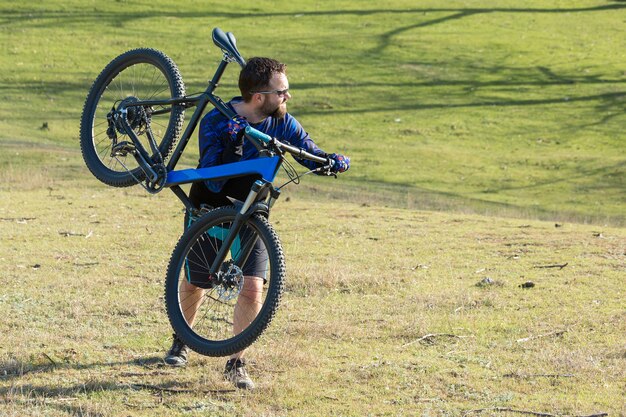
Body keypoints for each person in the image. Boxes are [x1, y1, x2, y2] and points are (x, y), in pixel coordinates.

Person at [163, 57, 350, 389]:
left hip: (253, 215)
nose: (287, 97)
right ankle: (181, 341)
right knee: (197, 283)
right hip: (209, 207)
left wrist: (331, 161)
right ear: (259, 96)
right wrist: (238, 141)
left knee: (252, 286)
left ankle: (236, 363)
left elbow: (307, 151)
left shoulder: (283, 122)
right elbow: (214, 178)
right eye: (283, 92)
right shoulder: (216, 121)